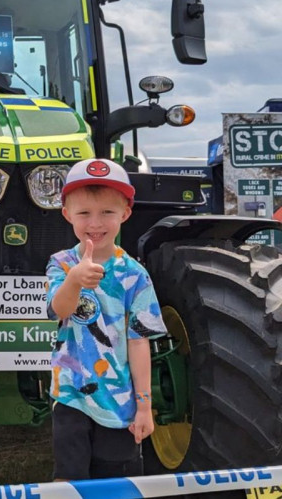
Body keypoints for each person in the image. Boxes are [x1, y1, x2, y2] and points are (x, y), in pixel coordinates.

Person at [45, 158, 167, 480]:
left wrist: (144, 406)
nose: (94, 223)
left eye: (107, 213)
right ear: (67, 214)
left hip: (119, 403)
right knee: (69, 482)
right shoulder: (61, 264)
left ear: (125, 214)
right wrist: (75, 280)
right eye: (84, 213)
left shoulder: (136, 276)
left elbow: (139, 341)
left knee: (116, 484)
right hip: (70, 395)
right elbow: (59, 310)